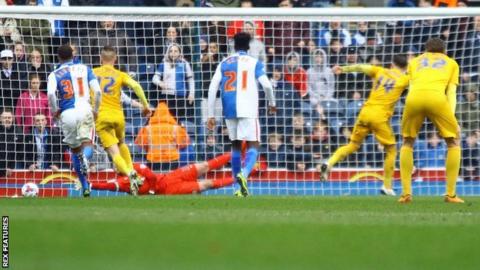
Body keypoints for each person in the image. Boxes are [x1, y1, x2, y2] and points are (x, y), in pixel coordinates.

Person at [320, 55, 410, 196]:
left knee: (353, 145)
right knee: (391, 150)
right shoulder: (405, 79)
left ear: (392, 64)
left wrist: (343, 69)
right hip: (379, 117)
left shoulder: (379, 70)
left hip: (364, 113)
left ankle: (330, 162)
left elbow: (361, 67)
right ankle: (387, 186)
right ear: (405, 67)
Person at [207, 32, 276, 197]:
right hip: (248, 109)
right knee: (253, 145)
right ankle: (243, 174)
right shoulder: (254, 62)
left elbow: (212, 87)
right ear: (249, 46)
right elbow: (266, 85)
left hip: (229, 108)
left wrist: (210, 114)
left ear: (234, 45)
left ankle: (238, 189)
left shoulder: (224, 62)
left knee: (236, 146)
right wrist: (272, 103)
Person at [398, 38, 464, 203]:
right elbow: (451, 92)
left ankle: (406, 194)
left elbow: (411, 87)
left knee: (407, 142)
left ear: (426, 50)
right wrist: (452, 118)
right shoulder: (451, 63)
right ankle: (450, 194)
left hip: (413, 99)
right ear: (444, 51)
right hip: (436, 98)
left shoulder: (414, 61)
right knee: (453, 141)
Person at [93, 45, 151, 196]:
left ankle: (132, 175)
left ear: (101, 58)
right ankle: (132, 173)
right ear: (115, 59)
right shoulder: (120, 74)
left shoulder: (92, 73)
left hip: (101, 116)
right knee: (122, 143)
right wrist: (145, 105)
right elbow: (136, 86)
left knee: (114, 153)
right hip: (118, 116)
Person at [47, 44, 102, 197]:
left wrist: (54, 111)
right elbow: (97, 91)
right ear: (73, 55)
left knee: (75, 150)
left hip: (67, 113)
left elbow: (51, 95)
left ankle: (85, 185)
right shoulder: (85, 69)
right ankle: (85, 160)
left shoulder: (54, 74)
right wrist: (96, 110)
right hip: (85, 110)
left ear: (59, 58)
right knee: (87, 145)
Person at [91, 154, 234, 195]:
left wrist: (152, 189)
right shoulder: (122, 183)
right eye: (116, 163)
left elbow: (152, 176)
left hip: (171, 176)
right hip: (169, 190)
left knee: (204, 165)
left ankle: (238, 151)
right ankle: (239, 179)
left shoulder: (133, 167)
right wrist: (90, 185)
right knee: (206, 184)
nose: (118, 165)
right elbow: (106, 186)